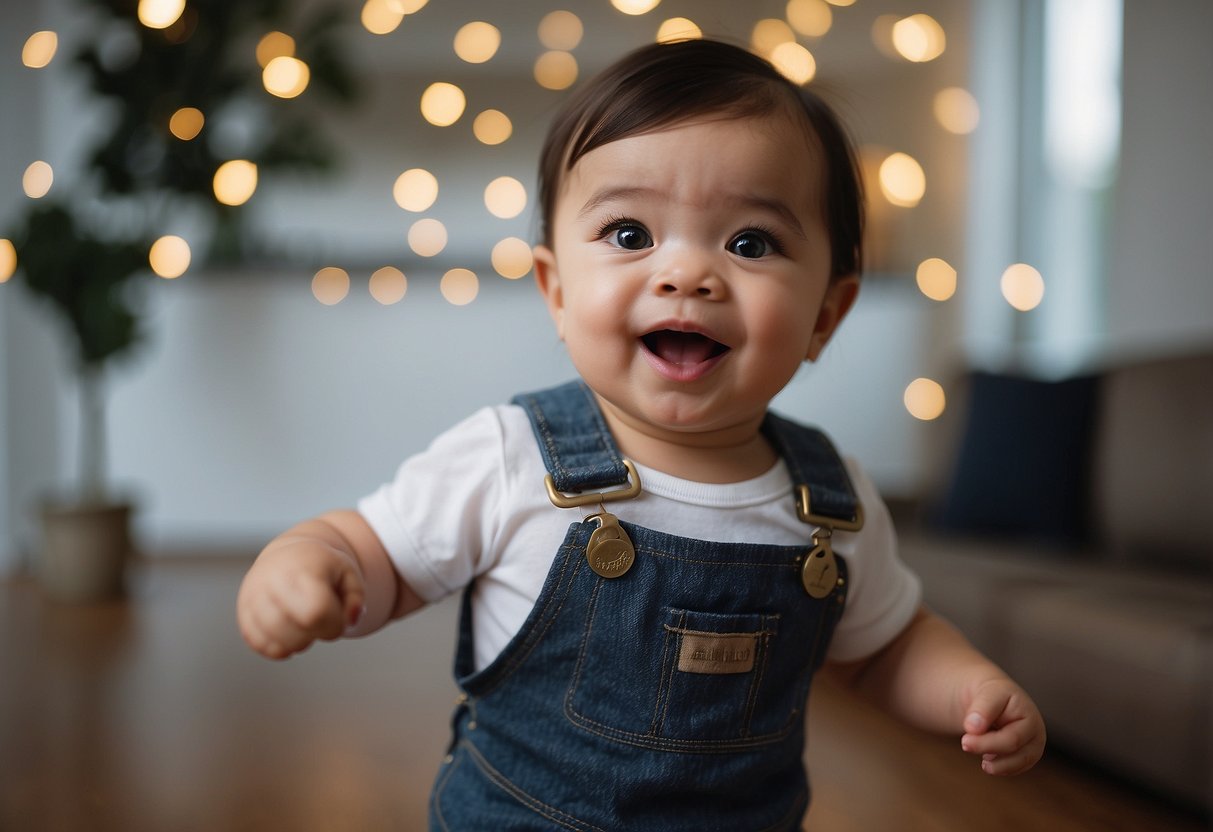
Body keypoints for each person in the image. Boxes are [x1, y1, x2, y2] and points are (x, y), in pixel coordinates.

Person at [237, 38, 1045, 830]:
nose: (687, 274)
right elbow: (379, 552)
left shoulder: (829, 500)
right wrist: (312, 563)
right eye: (630, 235)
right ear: (555, 289)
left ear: (824, 316)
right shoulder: (511, 455)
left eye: (749, 243)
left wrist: (967, 688)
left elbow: (882, 647)